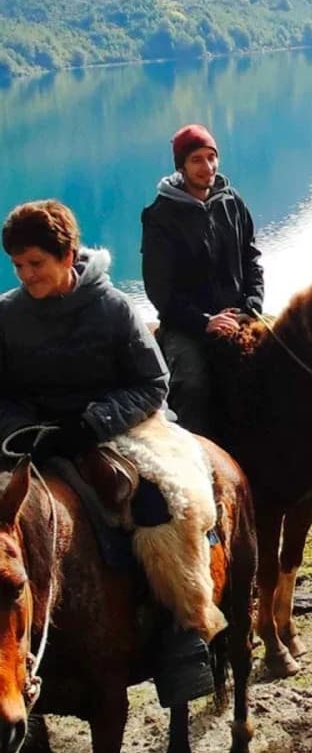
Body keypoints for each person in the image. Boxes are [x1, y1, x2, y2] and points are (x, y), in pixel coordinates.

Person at [0, 199, 216, 705]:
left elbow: (153, 383)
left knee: (162, 504)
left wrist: (92, 423)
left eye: (36, 263)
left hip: (114, 430)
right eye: (17, 265)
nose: (26, 275)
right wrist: (21, 428)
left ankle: (183, 631)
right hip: (31, 437)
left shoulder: (114, 307)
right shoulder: (7, 314)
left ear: (67, 255)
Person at [141, 123, 264, 438]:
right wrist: (205, 322)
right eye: (196, 159)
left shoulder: (232, 201)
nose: (207, 167)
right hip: (187, 326)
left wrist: (251, 306)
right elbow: (160, 291)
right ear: (181, 167)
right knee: (192, 384)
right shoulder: (160, 216)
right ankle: (196, 452)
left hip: (239, 315)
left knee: (288, 358)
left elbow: (251, 258)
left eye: (211, 157)